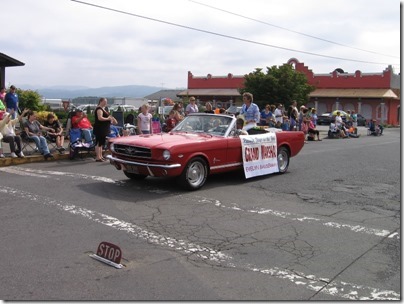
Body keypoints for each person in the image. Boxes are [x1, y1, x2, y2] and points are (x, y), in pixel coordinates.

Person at [93, 97, 117, 162]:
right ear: (101, 101)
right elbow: (100, 118)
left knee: (101, 143)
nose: (106, 103)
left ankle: (100, 156)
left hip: (103, 128)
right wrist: (108, 119)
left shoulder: (103, 109)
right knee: (98, 143)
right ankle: (98, 157)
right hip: (99, 128)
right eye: (105, 101)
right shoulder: (99, 109)